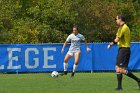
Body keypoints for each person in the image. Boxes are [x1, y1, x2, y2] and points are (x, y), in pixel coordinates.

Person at [108, 14, 140, 91]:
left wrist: (111, 44)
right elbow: (116, 37)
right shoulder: (120, 28)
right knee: (117, 68)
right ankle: (119, 87)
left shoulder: (124, 28)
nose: (115, 21)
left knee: (121, 70)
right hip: (121, 49)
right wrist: (113, 42)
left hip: (124, 50)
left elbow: (117, 39)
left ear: (120, 19)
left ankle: (138, 80)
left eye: (116, 19)